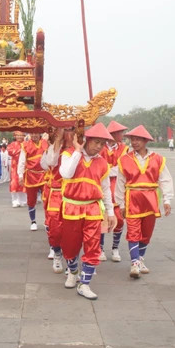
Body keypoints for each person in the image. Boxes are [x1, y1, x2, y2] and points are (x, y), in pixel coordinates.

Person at [59, 123, 117, 299]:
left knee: (93, 247)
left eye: (102, 143)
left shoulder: (103, 163)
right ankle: (72, 270)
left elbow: (106, 189)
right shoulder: (69, 154)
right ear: (86, 140)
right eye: (96, 142)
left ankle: (85, 283)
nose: (99, 146)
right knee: (70, 245)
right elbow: (66, 173)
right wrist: (77, 150)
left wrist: (111, 211)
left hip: (93, 208)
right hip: (71, 207)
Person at [115, 125, 173, 279]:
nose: (134, 142)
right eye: (132, 139)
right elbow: (120, 182)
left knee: (146, 232)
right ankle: (134, 263)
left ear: (146, 141)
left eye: (138, 139)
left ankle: (140, 259)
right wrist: (120, 203)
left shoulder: (158, 159)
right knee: (133, 231)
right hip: (132, 198)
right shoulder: (124, 160)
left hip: (150, 199)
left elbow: (165, 180)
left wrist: (167, 199)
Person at [41, 127, 75, 273]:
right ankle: (56, 253)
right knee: (55, 229)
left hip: (73, 194)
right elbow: (49, 162)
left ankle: (71, 261)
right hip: (56, 194)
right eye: (65, 130)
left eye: (71, 130)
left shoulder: (80, 150)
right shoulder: (54, 149)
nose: (68, 133)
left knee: (72, 230)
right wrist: (58, 141)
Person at [101, 120, 129, 262]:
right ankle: (100, 248)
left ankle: (115, 248)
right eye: (120, 133)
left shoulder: (124, 148)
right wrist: (112, 170)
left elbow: (124, 168)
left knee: (119, 219)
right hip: (103, 186)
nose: (122, 135)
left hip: (118, 186)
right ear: (113, 134)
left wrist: (108, 170)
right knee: (102, 218)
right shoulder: (100, 147)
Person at [17, 133, 46, 231]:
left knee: (47, 199)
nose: (35, 136)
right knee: (31, 200)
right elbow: (21, 161)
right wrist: (20, 175)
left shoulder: (45, 143)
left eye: (36, 133)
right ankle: (33, 221)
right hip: (31, 176)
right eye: (33, 133)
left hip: (44, 175)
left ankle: (48, 221)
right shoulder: (25, 145)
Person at [7, 131, 27, 207]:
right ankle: (15, 200)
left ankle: (23, 200)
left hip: (24, 166)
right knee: (14, 183)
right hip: (14, 167)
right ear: (15, 136)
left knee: (23, 183)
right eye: (17, 135)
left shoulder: (26, 144)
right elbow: (10, 152)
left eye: (21, 135)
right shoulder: (12, 144)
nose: (19, 137)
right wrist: (20, 150)